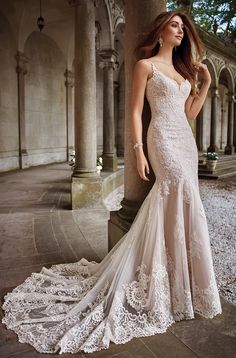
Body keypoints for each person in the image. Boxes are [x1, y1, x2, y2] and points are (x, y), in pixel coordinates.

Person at [2, 10, 222, 355]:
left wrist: (205, 83)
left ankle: (185, 283)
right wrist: (137, 151)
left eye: (183, 27)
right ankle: (162, 283)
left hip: (184, 140)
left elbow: (190, 113)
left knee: (188, 199)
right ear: (161, 30)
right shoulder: (145, 66)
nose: (180, 31)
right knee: (171, 193)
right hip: (161, 139)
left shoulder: (182, 71)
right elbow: (135, 112)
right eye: (175, 25)